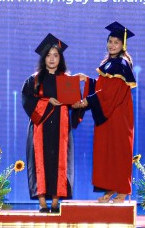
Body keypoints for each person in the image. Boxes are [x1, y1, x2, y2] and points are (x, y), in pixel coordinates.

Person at [73, 22, 136, 203]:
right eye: (110, 41)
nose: (112, 45)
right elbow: (103, 87)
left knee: (119, 152)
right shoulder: (108, 63)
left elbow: (111, 92)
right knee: (107, 154)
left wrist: (88, 101)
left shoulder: (122, 64)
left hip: (118, 116)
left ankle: (123, 190)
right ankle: (110, 190)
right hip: (107, 116)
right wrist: (88, 80)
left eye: (116, 42)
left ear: (123, 45)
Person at [21, 33, 83, 213]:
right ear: (43, 57)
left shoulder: (67, 79)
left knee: (59, 162)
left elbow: (74, 102)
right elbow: (27, 100)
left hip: (60, 128)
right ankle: (42, 203)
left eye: (56, 55)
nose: (52, 59)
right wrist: (47, 102)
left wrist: (78, 105)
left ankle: (55, 202)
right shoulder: (34, 80)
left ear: (60, 58)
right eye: (48, 55)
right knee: (39, 162)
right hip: (40, 127)